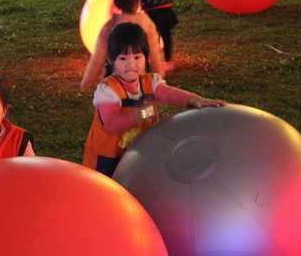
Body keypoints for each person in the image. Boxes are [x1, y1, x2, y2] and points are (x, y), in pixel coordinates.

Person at [83, 22, 227, 177]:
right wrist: (141, 114)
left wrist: (194, 99)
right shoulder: (108, 90)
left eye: (137, 57)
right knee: (110, 194)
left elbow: (169, 94)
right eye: (123, 58)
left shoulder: (149, 82)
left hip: (140, 153)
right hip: (109, 159)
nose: (131, 64)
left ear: (146, 58)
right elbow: (113, 124)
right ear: (111, 60)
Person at [80, 0, 164, 91]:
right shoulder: (146, 23)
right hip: (139, 80)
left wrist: (87, 83)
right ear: (138, 1)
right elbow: (154, 53)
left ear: (116, 2)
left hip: (113, 83)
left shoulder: (110, 25)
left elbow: (98, 58)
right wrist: (159, 77)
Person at [130, 0, 179, 71]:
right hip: (159, 7)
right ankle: (162, 60)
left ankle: (163, 60)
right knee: (161, 35)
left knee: (159, 35)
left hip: (155, 7)